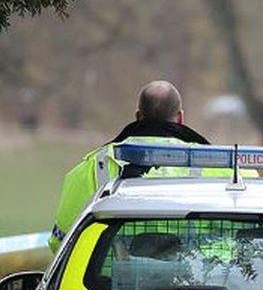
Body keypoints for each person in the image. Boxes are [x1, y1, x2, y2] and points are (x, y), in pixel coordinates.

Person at [49, 80, 211, 251]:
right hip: (191, 275)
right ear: (180, 118)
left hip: (107, 277)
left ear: (138, 117)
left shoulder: (93, 166)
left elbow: (61, 242)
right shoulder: (217, 166)